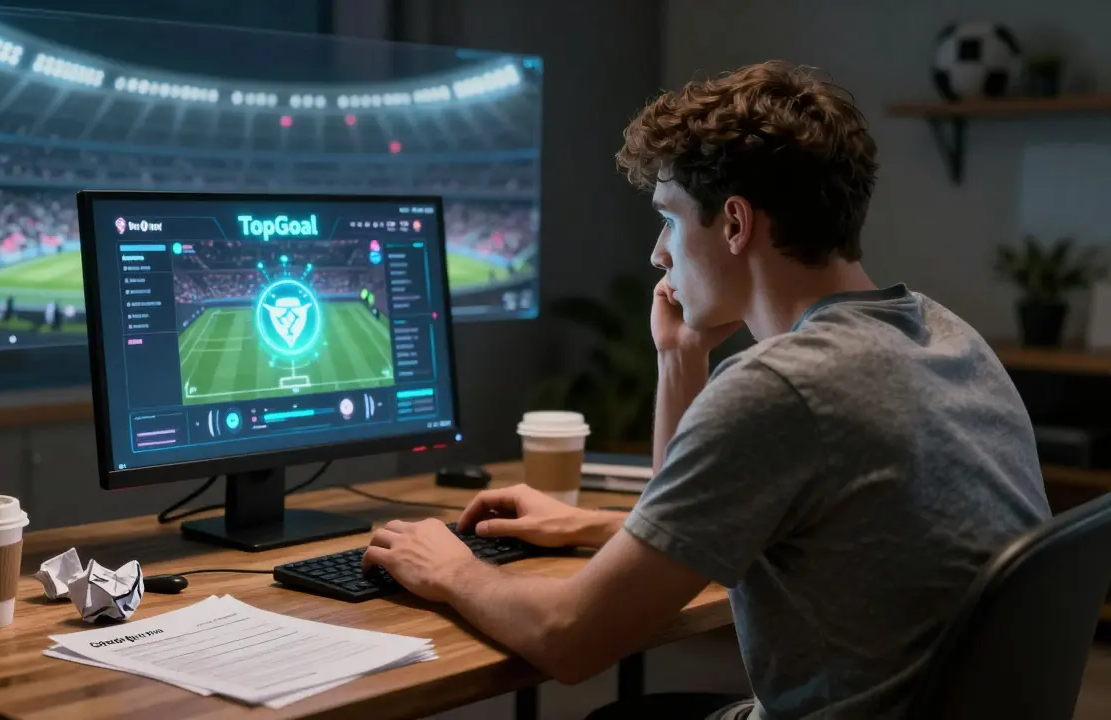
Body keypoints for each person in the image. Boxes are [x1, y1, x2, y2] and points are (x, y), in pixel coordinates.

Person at [361, 61, 1050, 719]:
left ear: (736, 224)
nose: (658, 253)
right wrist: (678, 357)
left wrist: (452, 569)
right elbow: (711, 529)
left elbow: (570, 639)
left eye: (669, 218)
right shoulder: (948, 334)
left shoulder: (783, 386)